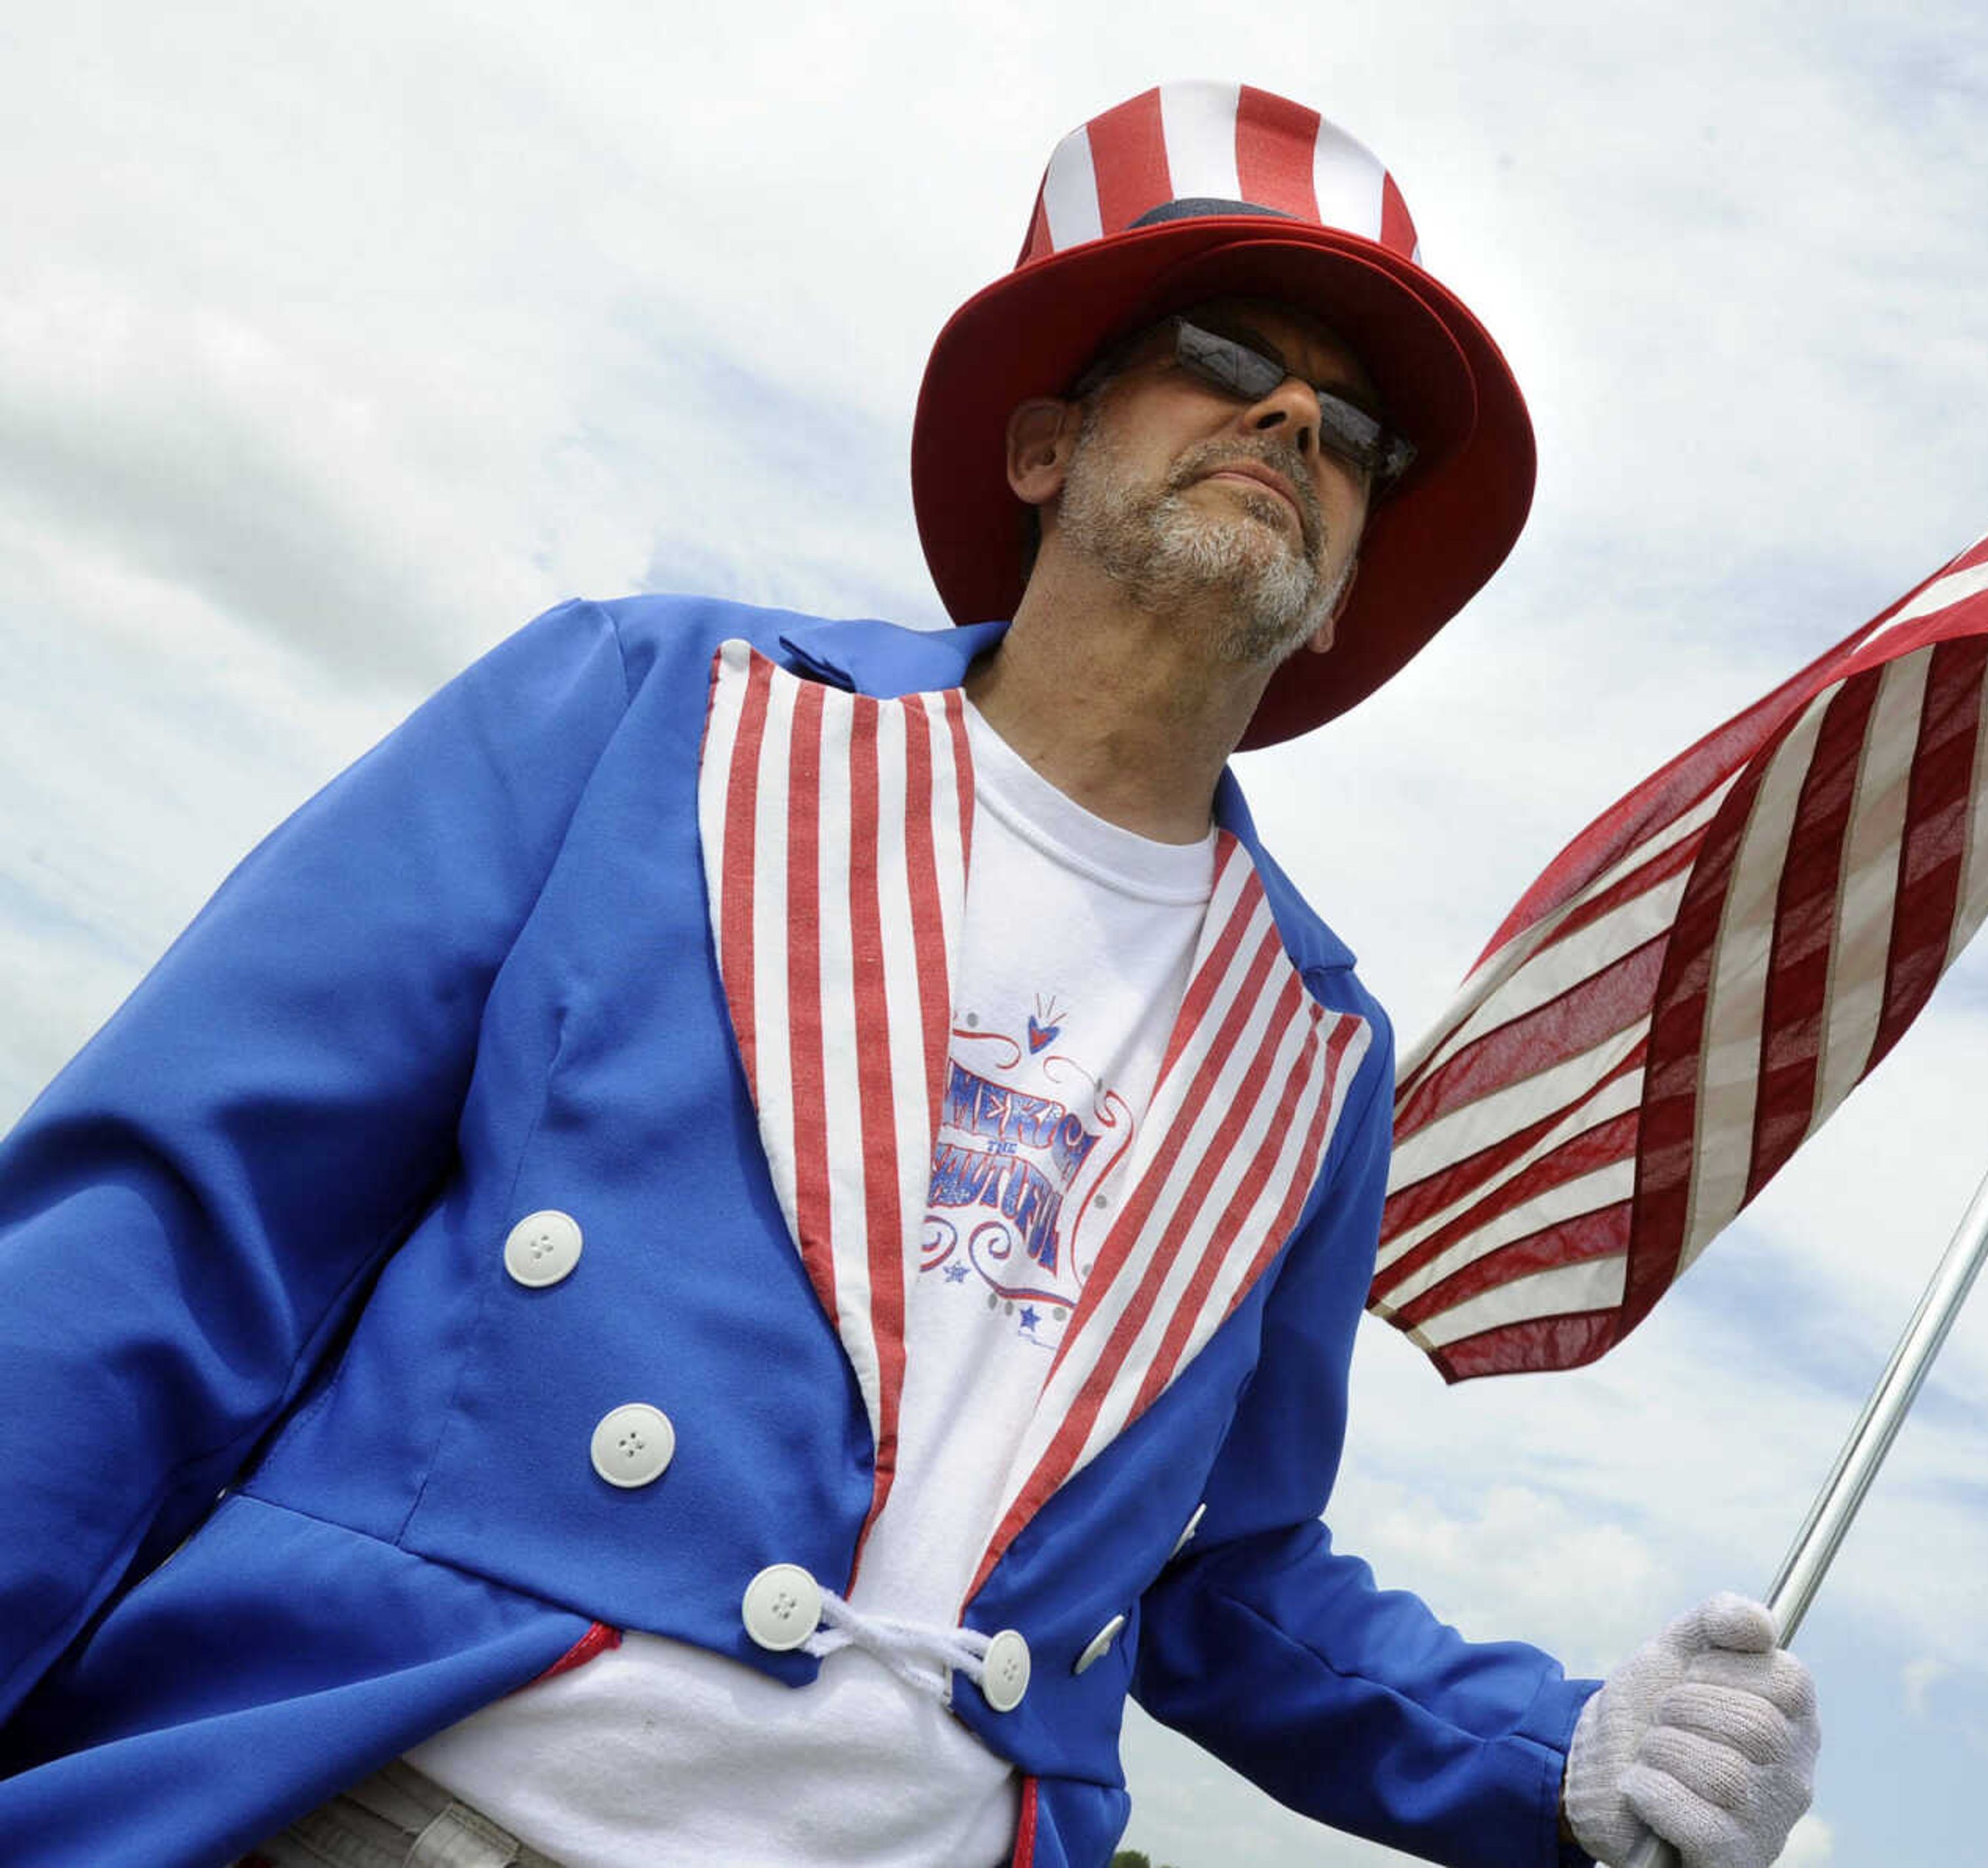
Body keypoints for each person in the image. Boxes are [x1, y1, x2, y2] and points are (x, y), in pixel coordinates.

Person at [0, 81, 1817, 1868]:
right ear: (1042, 448)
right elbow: (171, 1237)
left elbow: (1218, 1581)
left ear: (1341, 590)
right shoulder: (656, 714)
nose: (1294, 417)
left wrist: (1562, 1756)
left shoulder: (1319, 1044)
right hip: (395, 1805)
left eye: (1356, 432)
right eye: (1220, 349)